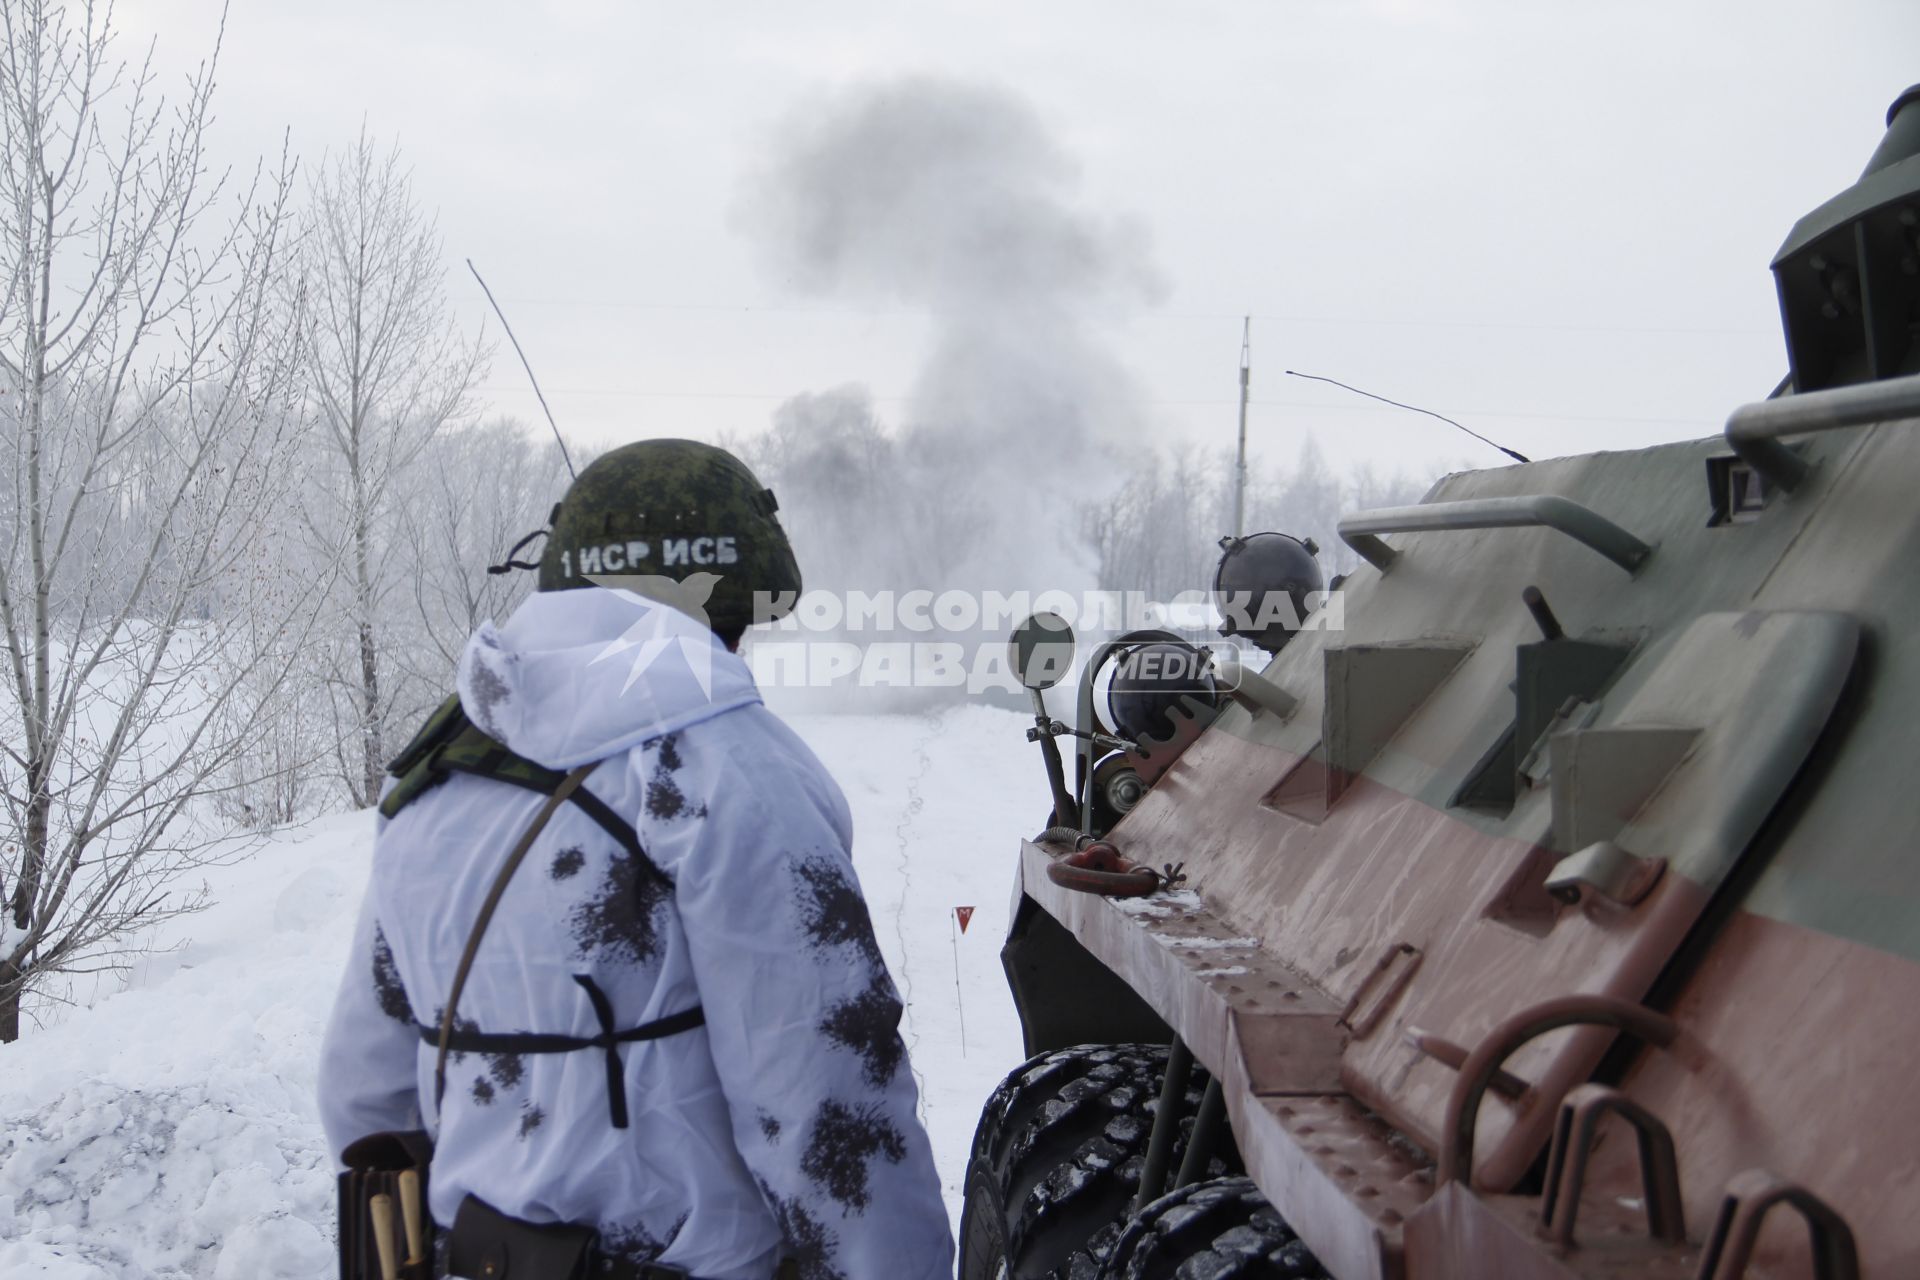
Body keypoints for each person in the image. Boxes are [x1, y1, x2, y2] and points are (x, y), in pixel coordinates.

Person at [317, 440, 954, 1280]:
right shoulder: (732, 771)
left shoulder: (437, 775)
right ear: (715, 604)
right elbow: (825, 1100)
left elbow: (364, 1094)